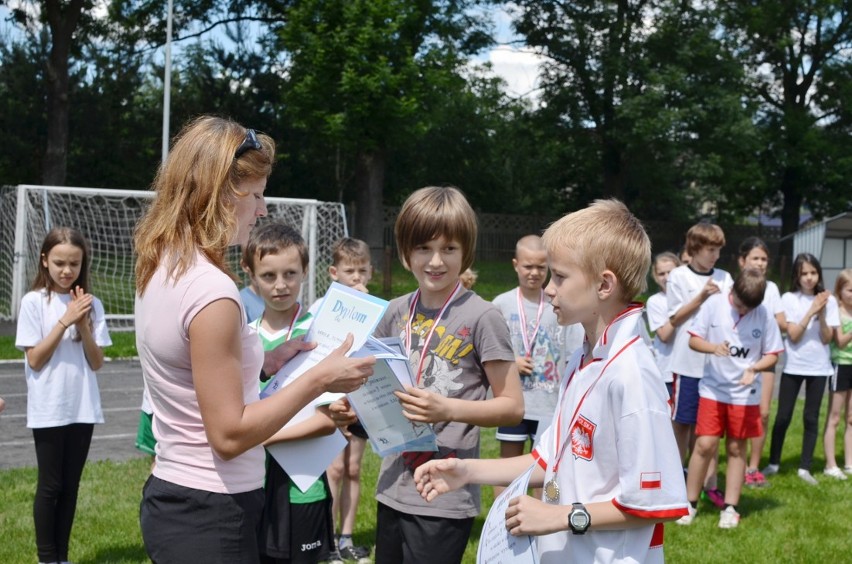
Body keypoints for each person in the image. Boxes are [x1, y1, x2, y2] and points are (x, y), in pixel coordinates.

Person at [133, 116, 375, 563]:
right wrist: (320, 379)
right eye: (257, 194)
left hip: (174, 495)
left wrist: (265, 361)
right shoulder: (213, 291)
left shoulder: (159, 265)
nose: (262, 209)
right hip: (213, 509)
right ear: (221, 194)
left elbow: (190, 367)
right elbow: (228, 435)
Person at [413, 199, 688, 563]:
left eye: (559, 276)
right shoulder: (582, 359)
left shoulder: (632, 375)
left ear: (604, 285)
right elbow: (549, 462)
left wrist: (560, 516)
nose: (550, 288)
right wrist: (466, 471)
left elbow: (653, 504)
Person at [333, 185, 523, 564]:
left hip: (444, 492)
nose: (436, 261)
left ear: (465, 252)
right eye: (424, 248)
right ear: (405, 253)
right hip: (391, 486)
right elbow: (375, 385)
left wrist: (446, 409)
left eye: (449, 249)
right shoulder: (394, 311)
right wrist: (351, 409)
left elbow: (512, 406)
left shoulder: (483, 317)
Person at [15, 226, 112, 564]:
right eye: (59, 263)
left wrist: (83, 326)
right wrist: (64, 321)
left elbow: (97, 362)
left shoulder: (92, 304)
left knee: (71, 487)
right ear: (44, 261)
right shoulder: (33, 302)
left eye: (74, 263)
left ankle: (63, 557)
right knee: (50, 485)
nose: (66, 270)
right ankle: (46, 558)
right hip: (49, 407)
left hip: (82, 407)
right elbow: (35, 358)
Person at [242, 222, 336, 563]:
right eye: (268, 276)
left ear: (305, 271)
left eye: (290, 273)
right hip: (250, 484)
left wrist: (259, 436)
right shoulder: (243, 338)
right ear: (249, 273)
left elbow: (327, 423)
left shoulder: (319, 335)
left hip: (303, 487)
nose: (281, 285)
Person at [677, 269, 783, 529]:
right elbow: (693, 340)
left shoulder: (764, 314)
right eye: (739, 305)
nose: (743, 311)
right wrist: (713, 348)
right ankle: (689, 503)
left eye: (749, 308)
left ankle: (730, 507)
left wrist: (754, 368)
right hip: (712, 390)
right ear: (732, 291)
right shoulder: (714, 304)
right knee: (704, 444)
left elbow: (773, 354)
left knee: (737, 448)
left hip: (744, 395)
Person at [491, 234, 583, 498]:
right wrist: (511, 362)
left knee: (543, 466)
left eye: (541, 267)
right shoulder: (501, 304)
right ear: (515, 264)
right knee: (507, 464)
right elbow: (489, 351)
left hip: (549, 403)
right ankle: (501, 521)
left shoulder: (559, 302)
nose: (534, 273)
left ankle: (539, 519)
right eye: (528, 266)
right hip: (513, 402)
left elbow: (572, 352)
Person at [667, 222, 732, 508]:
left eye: (718, 250)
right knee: (682, 425)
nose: (715, 255)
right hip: (688, 363)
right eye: (710, 249)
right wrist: (702, 297)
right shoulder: (678, 277)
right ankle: (673, 479)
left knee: (710, 430)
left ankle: (710, 484)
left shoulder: (725, 277)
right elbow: (675, 318)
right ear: (694, 249)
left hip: (716, 366)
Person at [319, 237, 374, 563]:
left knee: (353, 468)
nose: (357, 278)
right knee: (335, 469)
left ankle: (347, 537)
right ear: (334, 272)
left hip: (362, 397)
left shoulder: (375, 304)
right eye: (350, 271)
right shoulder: (327, 307)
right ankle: (326, 539)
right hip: (333, 399)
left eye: (362, 271)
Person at [764, 253, 839, 484]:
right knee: (783, 416)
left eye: (813, 273)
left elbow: (827, 339)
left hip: (819, 367)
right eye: (804, 273)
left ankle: (804, 467)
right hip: (794, 365)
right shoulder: (789, 298)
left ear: (819, 274)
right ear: (797, 275)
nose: (809, 278)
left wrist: (823, 315)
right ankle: (774, 462)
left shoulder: (830, 300)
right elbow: (793, 336)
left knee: (811, 417)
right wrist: (811, 312)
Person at [736, 237, 786, 487]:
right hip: (736, 360)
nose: (760, 263)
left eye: (764, 259)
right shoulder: (731, 286)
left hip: (764, 358)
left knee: (762, 413)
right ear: (742, 260)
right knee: (736, 415)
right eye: (755, 258)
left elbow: (780, 321)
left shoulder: (773, 289)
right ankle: (737, 462)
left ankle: (753, 467)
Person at [823, 268, 852, 479]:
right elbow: (840, 343)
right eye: (850, 290)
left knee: (851, 418)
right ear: (840, 290)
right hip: (840, 365)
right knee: (834, 417)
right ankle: (830, 464)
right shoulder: (837, 312)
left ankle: (849, 462)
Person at [645, 251, 681, 397]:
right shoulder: (655, 301)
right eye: (661, 274)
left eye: (671, 272)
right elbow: (664, 335)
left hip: (688, 369)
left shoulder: (689, 296)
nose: (667, 278)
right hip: (667, 371)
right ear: (655, 276)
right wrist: (683, 310)